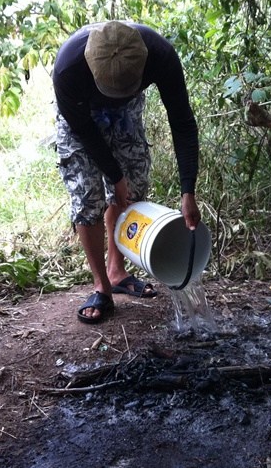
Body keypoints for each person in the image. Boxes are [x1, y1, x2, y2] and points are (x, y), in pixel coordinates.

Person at [51, 20, 201, 324]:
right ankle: (101, 287)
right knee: (87, 199)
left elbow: (182, 122)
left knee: (132, 188)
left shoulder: (159, 54)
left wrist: (188, 191)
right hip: (81, 116)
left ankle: (116, 270)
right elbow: (84, 131)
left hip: (127, 115)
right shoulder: (68, 69)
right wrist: (113, 176)